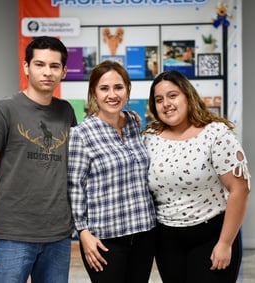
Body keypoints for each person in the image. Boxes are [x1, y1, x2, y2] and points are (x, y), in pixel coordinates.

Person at [0, 36, 76, 283]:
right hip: (13, 235)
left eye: (54, 66)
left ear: (64, 71)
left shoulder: (66, 111)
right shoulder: (4, 109)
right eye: (39, 64)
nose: (47, 72)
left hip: (58, 235)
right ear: (26, 67)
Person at [143, 70, 250, 283]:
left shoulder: (215, 134)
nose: (166, 104)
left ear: (188, 96)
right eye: (159, 99)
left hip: (211, 237)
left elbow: (240, 189)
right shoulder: (150, 137)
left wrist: (225, 243)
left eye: (173, 95)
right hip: (167, 242)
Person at [67, 60, 156, 283]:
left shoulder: (135, 124)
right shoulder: (81, 134)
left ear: (127, 90)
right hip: (105, 239)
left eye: (118, 87)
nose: (112, 94)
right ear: (94, 93)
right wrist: (83, 233)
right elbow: (74, 186)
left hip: (144, 232)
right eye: (104, 88)